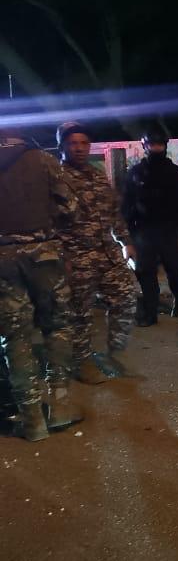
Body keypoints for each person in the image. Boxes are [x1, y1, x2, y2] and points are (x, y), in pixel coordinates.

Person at [0, 127, 81, 440]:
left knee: (14, 335)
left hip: (2, 259)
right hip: (43, 253)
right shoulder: (44, 160)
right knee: (57, 326)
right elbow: (70, 209)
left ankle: (32, 420)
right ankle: (60, 407)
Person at [57, 122, 138, 383]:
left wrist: (125, 241)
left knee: (126, 296)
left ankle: (115, 350)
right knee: (80, 313)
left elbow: (114, 213)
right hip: (77, 257)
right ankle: (81, 362)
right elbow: (47, 222)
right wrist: (61, 257)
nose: (79, 148)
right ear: (62, 146)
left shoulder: (98, 176)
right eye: (73, 143)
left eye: (83, 143)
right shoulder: (55, 178)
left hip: (107, 255)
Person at [122, 124, 178, 325]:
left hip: (170, 231)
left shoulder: (175, 173)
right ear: (145, 146)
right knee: (146, 274)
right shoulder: (135, 173)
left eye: (159, 145)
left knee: (174, 271)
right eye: (152, 145)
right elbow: (126, 206)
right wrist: (127, 239)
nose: (156, 148)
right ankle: (150, 313)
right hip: (143, 232)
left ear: (165, 146)